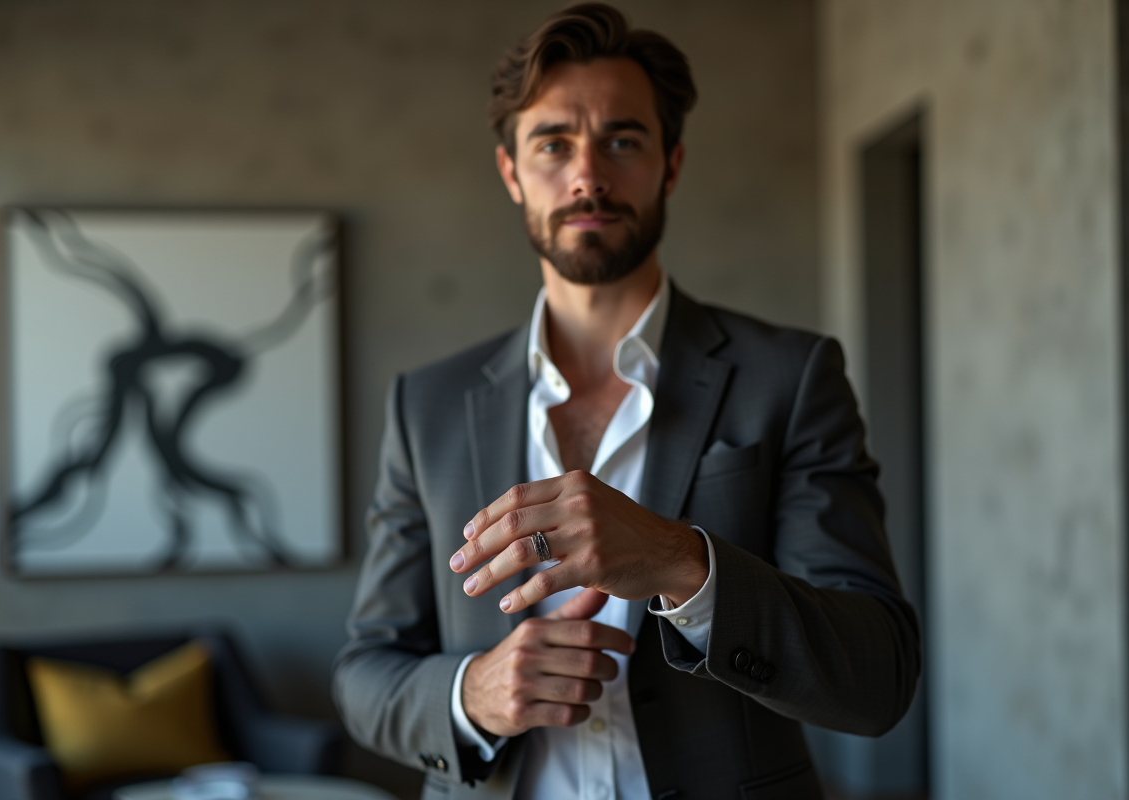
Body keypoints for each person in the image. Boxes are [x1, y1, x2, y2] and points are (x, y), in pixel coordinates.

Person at [333, 5, 921, 799]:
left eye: (621, 140)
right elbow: (364, 674)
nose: (588, 176)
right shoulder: (426, 405)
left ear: (670, 165)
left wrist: (682, 562)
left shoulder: (792, 377)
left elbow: (878, 677)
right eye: (553, 144)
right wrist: (470, 695)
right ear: (511, 172)